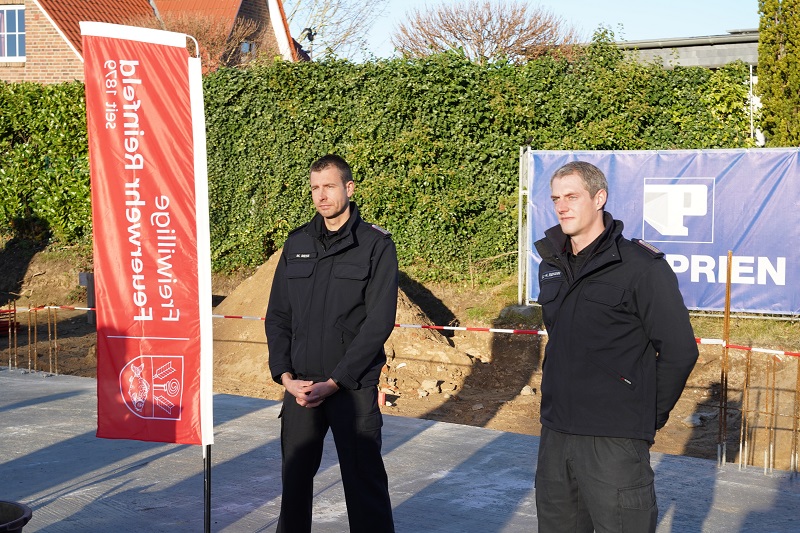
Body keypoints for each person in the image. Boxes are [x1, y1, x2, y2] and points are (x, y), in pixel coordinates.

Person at [533, 161, 699, 532]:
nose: (562, 207)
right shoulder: (551, 264)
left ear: (599, 198)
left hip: (614, 440)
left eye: (572, 197)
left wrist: (643, 417)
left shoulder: (641, 267)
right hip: (556, 435)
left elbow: (680, 351)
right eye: (556, 199)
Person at [265, 154, 397, 533]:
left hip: (351, 388)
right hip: (301, 387)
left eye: (329, 186)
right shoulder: (296, 244)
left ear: (349, 188)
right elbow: (278, 316)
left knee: (364, 486)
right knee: (294, 486)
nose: (321, 196)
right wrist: (285, 377)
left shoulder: (375, 245)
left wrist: (336, 381)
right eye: (315, 188)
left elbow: (378, 323)